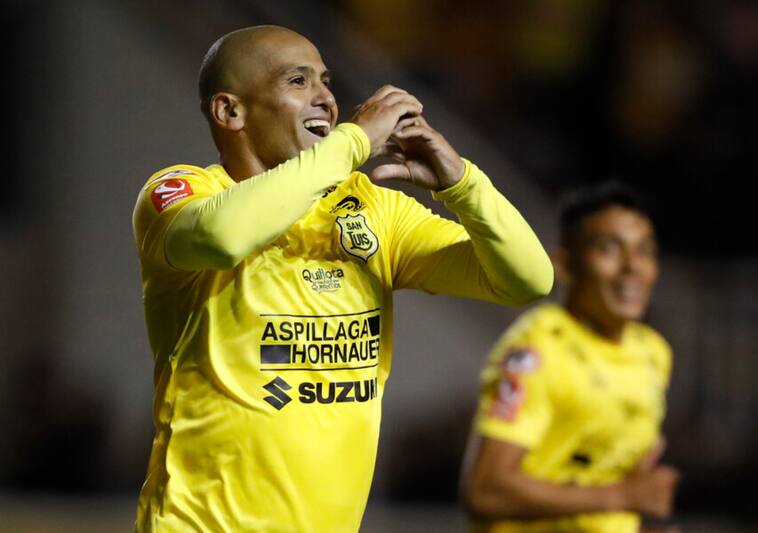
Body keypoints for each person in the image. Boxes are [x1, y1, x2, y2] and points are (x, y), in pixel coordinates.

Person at [131, 25, 553, 532]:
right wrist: (355, 141)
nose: (327, 99)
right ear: (231, 112)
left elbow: (527, 279)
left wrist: (463, 184)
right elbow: (222, 238)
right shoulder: (181, 194)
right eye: (298, 81)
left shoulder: (372, 208)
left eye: (326, 81)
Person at [462, 183, 679, 532]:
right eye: (610, 249)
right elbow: (485, 491)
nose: (633, 267)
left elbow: (606, 479)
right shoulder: (538, 351)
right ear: (564, 264)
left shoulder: (653, 352)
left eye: (645, 251)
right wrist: (622, 497)